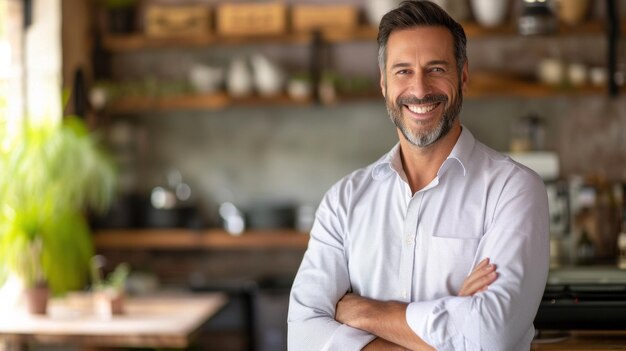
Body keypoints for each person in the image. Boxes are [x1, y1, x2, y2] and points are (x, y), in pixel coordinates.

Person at [287, 1, 550, 350]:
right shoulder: (343, 201)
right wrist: (451, 325)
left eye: (436, 68)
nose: (420, 89)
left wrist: (362, 311)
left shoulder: (514, 190)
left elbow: (491, 337)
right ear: (383, 84)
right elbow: (303, 338)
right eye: (402, 71)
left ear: (464, 76)